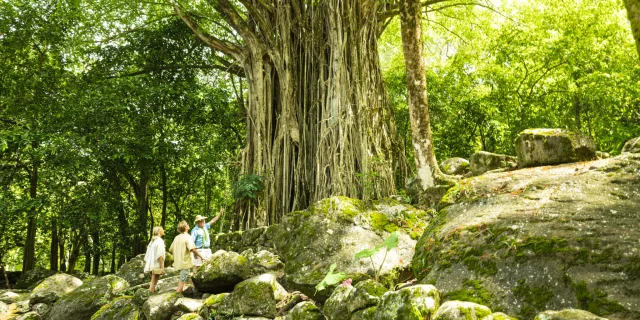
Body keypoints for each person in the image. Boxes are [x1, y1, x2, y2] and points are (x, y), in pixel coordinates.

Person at [169, 220, 206, 293]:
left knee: (183, 279)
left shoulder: (176, 237)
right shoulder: (187, 237)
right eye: (187, 224)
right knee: (182, 281)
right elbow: (192, 248)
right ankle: (175, 297)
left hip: (178, 262)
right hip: (185, 262)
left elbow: (170, 249)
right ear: (185, 227)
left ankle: (181, 294)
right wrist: (201, 257)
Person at [143, 226, 165, 293]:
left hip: (151, 264)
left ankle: (151, 293)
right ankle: (149, 295)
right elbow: (159, 255)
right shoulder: (159, 241)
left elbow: (147, 255)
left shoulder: (152, 242)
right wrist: (162, 267)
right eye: (162, 230)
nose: (163, 230)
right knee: (152, 284)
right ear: (159, 232)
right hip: (156, 264)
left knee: (153, 283)